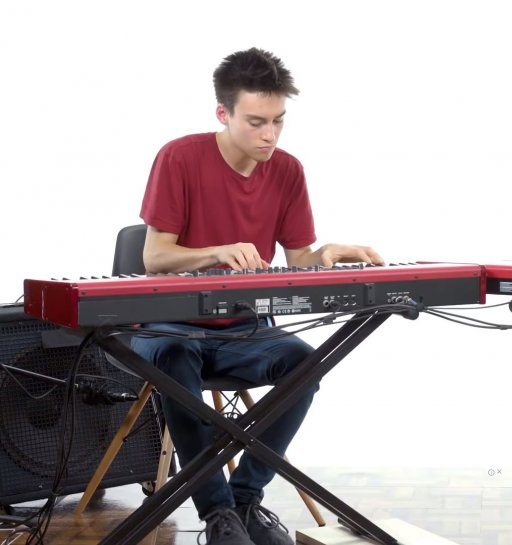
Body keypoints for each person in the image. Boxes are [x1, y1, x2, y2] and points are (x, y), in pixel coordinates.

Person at [132, 47, 383, 545]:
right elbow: (154, 258)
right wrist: (213, 252)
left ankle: (245, 501)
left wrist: (331, 252)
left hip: (247, 329)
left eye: (278, 122)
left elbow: (298, 260)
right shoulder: (179, 157)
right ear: (222, 114)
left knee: (304, 366)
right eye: (256, 122)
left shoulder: (287, 170)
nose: (269, 135)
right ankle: (218, 515)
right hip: (168, 328)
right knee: (176, 365)